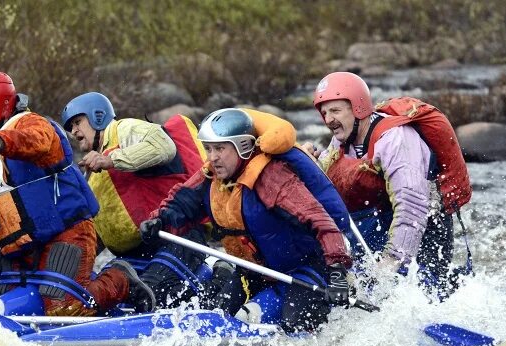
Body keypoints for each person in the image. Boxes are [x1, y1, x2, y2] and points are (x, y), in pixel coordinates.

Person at [0, 72, 155, 316]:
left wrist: (0, 140)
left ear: (2, 105)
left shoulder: (31, 124)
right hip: (20, 249)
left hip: (65, 234)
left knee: (65, 309)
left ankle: (121, 279)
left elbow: (42, 141)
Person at [139, 108, 353, 332]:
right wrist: (159, 221)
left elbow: (322, 222)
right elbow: (182, 203)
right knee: (214, 317)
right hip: (255, 272)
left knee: (294, 324)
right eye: (209, 149)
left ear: (242, 147)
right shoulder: (212, 175)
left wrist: (338, 272)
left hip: (308, 267)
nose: (213, 157)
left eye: (220, 148)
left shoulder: (272, 177)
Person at [311, 72, 472, 297]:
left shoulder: (396, 138)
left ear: (358, 108)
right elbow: (326, 185)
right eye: (325, 113)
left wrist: (391, 263)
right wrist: (309, 163)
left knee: (425, 295)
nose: (329, 120)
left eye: (335, 111)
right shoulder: (341, 139)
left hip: (425, 228)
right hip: (381, 225)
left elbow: (412, 208)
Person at [61, 92, 220, 307]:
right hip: (138, 252)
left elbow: (164, 146)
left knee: (149, 296)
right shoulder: (93, 169)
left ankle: (218, 280)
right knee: (101, 298)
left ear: (97, 116)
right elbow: (101, 230)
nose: (73, 131)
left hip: (176, 236)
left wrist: (110, 160)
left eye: (77, 122)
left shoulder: (124, 129)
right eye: (70, 127)